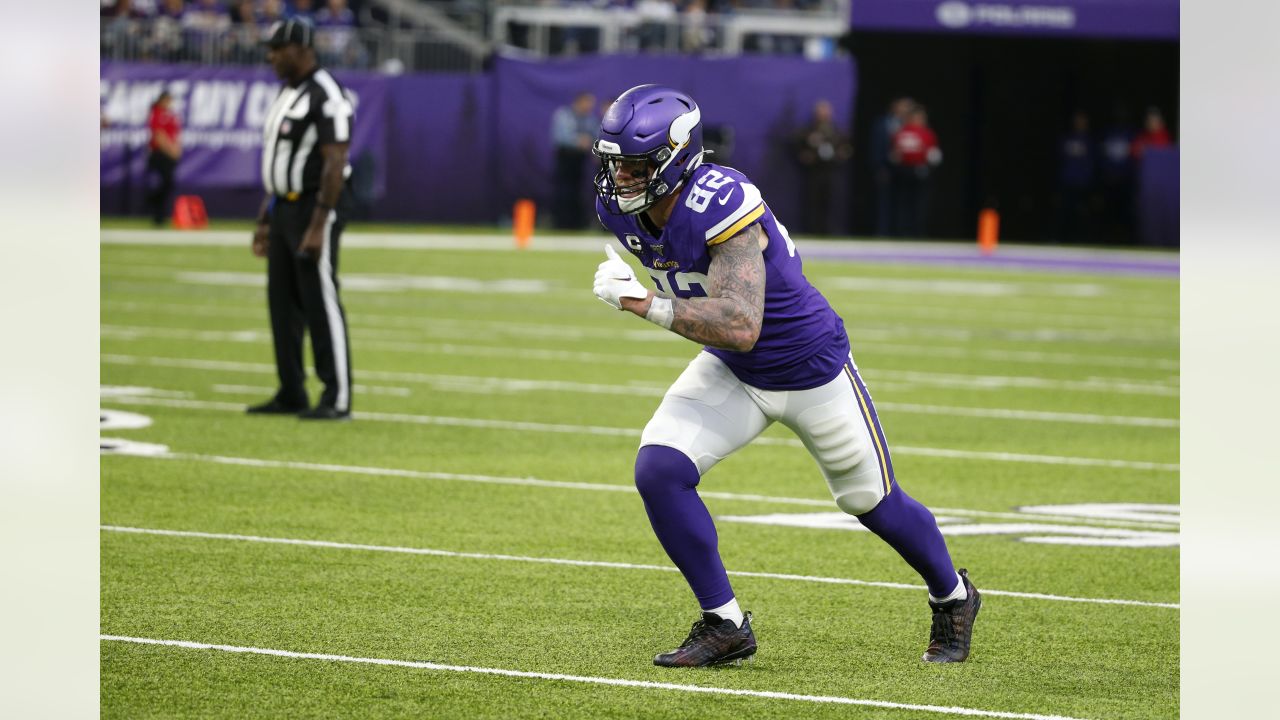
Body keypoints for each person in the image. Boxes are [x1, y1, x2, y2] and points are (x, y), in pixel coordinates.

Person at [590, 84, 979, 668]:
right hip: (736, 371)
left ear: (675, 158)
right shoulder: (621, 210)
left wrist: (645, 303)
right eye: (614, 164)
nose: (621, 179)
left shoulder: (721, 202)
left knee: (872, 502)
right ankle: (725, 623)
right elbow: (732, 338)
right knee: (660, 468)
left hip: (809, 367)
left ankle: (953, 596)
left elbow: (742, 323)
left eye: (636, 165)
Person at [247, 18, 355, 420]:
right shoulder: (287, 93)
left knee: (319, 299)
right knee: (282, 301)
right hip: (284, 206)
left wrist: (319, 222)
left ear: (301, 49)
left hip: (316, 205)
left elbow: (335, 160)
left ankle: (337, 396)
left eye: (278, 49)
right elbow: (277, 162)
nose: (271, 57)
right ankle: (291, 390)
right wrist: (265, 217)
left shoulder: (326, 94)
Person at [793, 98, 851, 235]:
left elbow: (846, 147)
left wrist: (842, 154)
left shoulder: (836, 131)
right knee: (812, 202)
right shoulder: (808, 131)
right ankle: (812, 230)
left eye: (826, 113)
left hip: (831, 170)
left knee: (830, 202)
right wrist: (804, 155)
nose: (824, 115)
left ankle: (828, 231)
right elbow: (797, 146)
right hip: (814, 171)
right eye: (821, 112)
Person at [889, 104, 941, 238]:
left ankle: (913, 232)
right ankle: (908, 232)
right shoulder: (921, 134)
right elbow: (933, 156)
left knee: (915, 204)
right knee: (908, 203)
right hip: (911, 171)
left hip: (911, 171)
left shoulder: (902, 132)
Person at [550, 91, 599, 229]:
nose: (589, 107)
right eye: (587, 103)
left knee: (578, 192)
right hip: (565, 159)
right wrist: (578, 141)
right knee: (563, 191)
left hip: (580, 160)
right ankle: (560, 223)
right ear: (579, 101)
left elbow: (595, 136)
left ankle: (575, 224)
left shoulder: (590, 119)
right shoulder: (564, 115)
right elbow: (559, 137)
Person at [869, 98, 912, 237]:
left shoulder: (910, 125)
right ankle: (883, 232)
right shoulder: (882, 123)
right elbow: (876, 146)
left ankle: (902, 232)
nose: (904, 111)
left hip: (904, 169)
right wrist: (879, 166)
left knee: (904, 202)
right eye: (902, 107)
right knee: (884, 202)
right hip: (885, 167)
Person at [1053, 110, 1096, 243]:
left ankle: (1084, 240)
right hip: (1067, 182)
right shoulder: (1066, 139)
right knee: (1064, 211)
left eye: (1082, 120)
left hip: (1083, 183)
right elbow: (1058, 160)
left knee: (1083, 213)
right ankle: (1059, 239)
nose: (1079, 123)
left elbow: (1093, 163)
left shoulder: (1090, 141)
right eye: (1077, 120)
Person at [144, 90, 182, 227]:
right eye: (167, 100)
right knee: (165, 182)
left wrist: (177, 149)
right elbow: (159, 135)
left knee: (168, 184)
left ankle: (159, 214)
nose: (169, 104)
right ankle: (154, 206)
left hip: (169, 154)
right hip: (159, 154)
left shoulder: (170, 115)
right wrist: (171, 150)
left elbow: (175, 134)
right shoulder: (156, 114)